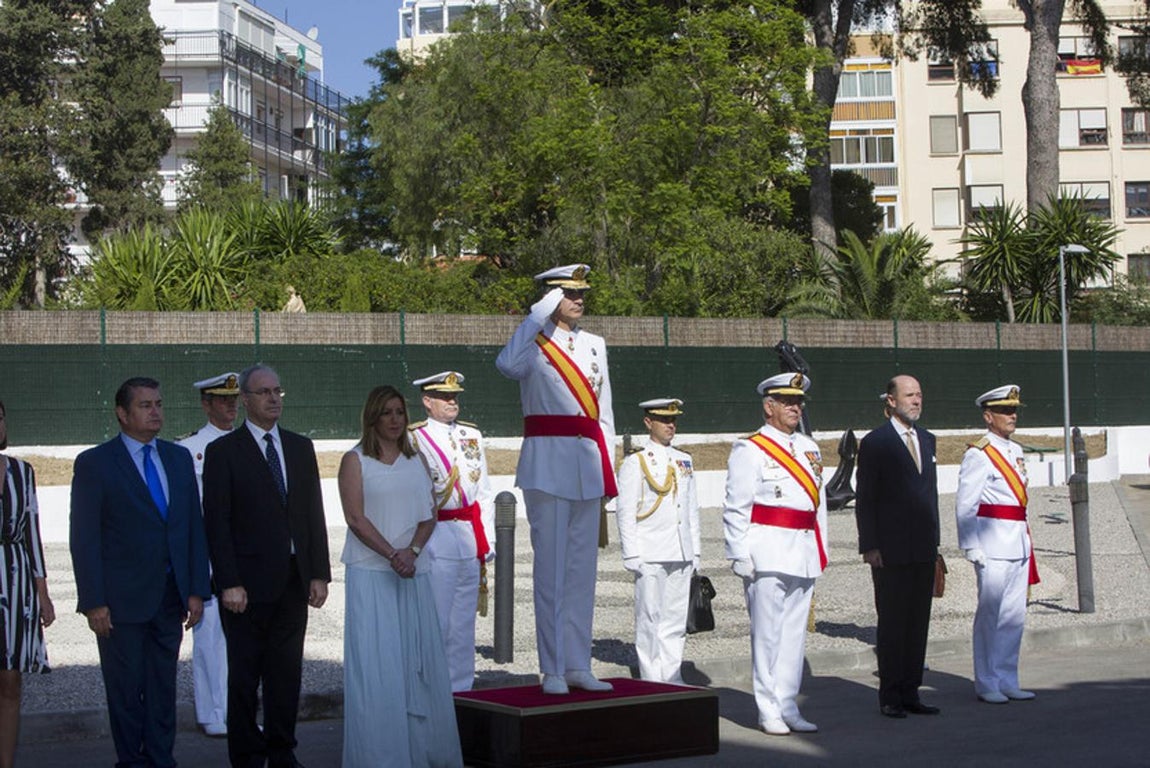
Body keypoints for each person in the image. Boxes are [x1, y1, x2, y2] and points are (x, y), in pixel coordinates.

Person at [69, 377, 211, 768]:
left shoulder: (177, 458)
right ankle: (131, 761)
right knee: (126, 692)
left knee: (163, 688)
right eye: (146, 405)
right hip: (120, 604)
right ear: (122, 413)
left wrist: (197, 589)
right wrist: (94, 601)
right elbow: (84, 539)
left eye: (159, 404)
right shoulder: (96, 464)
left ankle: (162, 759)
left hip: (170, 598)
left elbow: (192, 528)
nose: (156, 412)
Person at [495, 263, 617, 695]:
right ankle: (552, 669)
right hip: (547, 466)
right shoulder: (533, 345)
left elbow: (603, 413)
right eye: (569, 293)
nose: (579, 300)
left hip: (587, 464)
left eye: (582, 292)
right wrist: (536, 316)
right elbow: (506, 365)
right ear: (550, 297)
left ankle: (578, 663)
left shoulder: (596, 345)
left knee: (582, 573)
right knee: (550, 573)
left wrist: (609, 473)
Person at [202, 365, 331, 768]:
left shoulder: (299, 447)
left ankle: (282, 750)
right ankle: (245, 754)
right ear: (245, 400)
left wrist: (318, 572)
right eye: (263, 392)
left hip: (293, 581)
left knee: (286, 674)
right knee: (244, 677)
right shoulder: (225, 452)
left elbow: (313, 513)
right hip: (246, 588)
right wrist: (229, 582)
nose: (273, 398)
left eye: (277, 390)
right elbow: (216, 522)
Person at [337, 385, 463, 768]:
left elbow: (430, 515)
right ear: (372, 417)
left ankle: (422, 752)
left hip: (413, 573)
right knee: (378, 666)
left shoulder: (417, 460)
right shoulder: (354, 460)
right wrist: (393, 554)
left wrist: (413, 552)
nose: (394, 420)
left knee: (418, 664)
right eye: (387, 413)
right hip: (372, 575)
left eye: (399, 413)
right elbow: (356, 518)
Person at [723, 372, 828, 736]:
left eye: (798, 401)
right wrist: (739, 553)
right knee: (767, 635)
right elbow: (737, 506)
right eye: (787, 402)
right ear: (769, 407)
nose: (795, 407)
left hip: (802, 550)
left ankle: (787, 704)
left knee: (794, 636)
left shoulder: (810, 448)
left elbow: (819, 506)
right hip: (766, 552)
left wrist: (821, 549)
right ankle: (767, 707)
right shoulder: (750, 449)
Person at [855, 375, 941, 719]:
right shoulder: (876, 442)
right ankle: (890, 695)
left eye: (919, 394)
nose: (916, 401)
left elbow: (929, 496)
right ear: (890, 400)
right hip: (889, 551)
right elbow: (866, 498)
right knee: (892, 623)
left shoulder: (927, 439)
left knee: (918, 623)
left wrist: (935, 543)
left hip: (921, 548)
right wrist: (870, 545)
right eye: (909, 395)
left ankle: (911, 691)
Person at [408, 371, 495, 693]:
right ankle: (431, 690)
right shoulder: (415, 438)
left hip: (468, 536)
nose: (452, 401)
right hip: (435, 535)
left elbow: (483, 490)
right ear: (427, 401)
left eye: (454, 395)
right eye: (444, 397)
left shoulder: (472, 435)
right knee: (437, 621)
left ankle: (461, 691)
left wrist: (488, 539)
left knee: (463, 624)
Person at [956, 384, 1038, 705]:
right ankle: (986, 681)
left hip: (1017, 541)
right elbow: (966, 503)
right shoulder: (979, 453)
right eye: (1005, 410)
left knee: (1014, 615)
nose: (1012, 415)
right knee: (990, 615)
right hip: (992, 543)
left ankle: (1007, 676)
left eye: (1014, 410)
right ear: (989, 417)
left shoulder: (1015, 451)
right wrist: (970, 545)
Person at [615, 398, 700, 684]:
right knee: (650, 617)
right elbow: (626, 510)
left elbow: (690, 510)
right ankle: (652, 676)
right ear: (648, 422)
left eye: (673, 420)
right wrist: (631, 553)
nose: (670, 425)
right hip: (650, 550)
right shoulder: (635, 462)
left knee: (675, 619)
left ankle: (672, 672)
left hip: (680, 549)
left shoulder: (683, 459)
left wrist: (695, 551)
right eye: (664, 420)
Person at [178, 371, 241, 737]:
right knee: (211, 636)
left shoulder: (247, 444)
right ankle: (213, 712)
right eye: (222, 399)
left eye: (234, 399)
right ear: (206, 404)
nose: (230, 405)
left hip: (243, 550)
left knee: (243, 639)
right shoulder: (190, 449)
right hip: (208, 550)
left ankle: (238, 711)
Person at [0, 400, 54, 768]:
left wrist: (43, 594)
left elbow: (32, 533)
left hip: (15, 582)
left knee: (10, 679)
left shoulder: (22, 472)